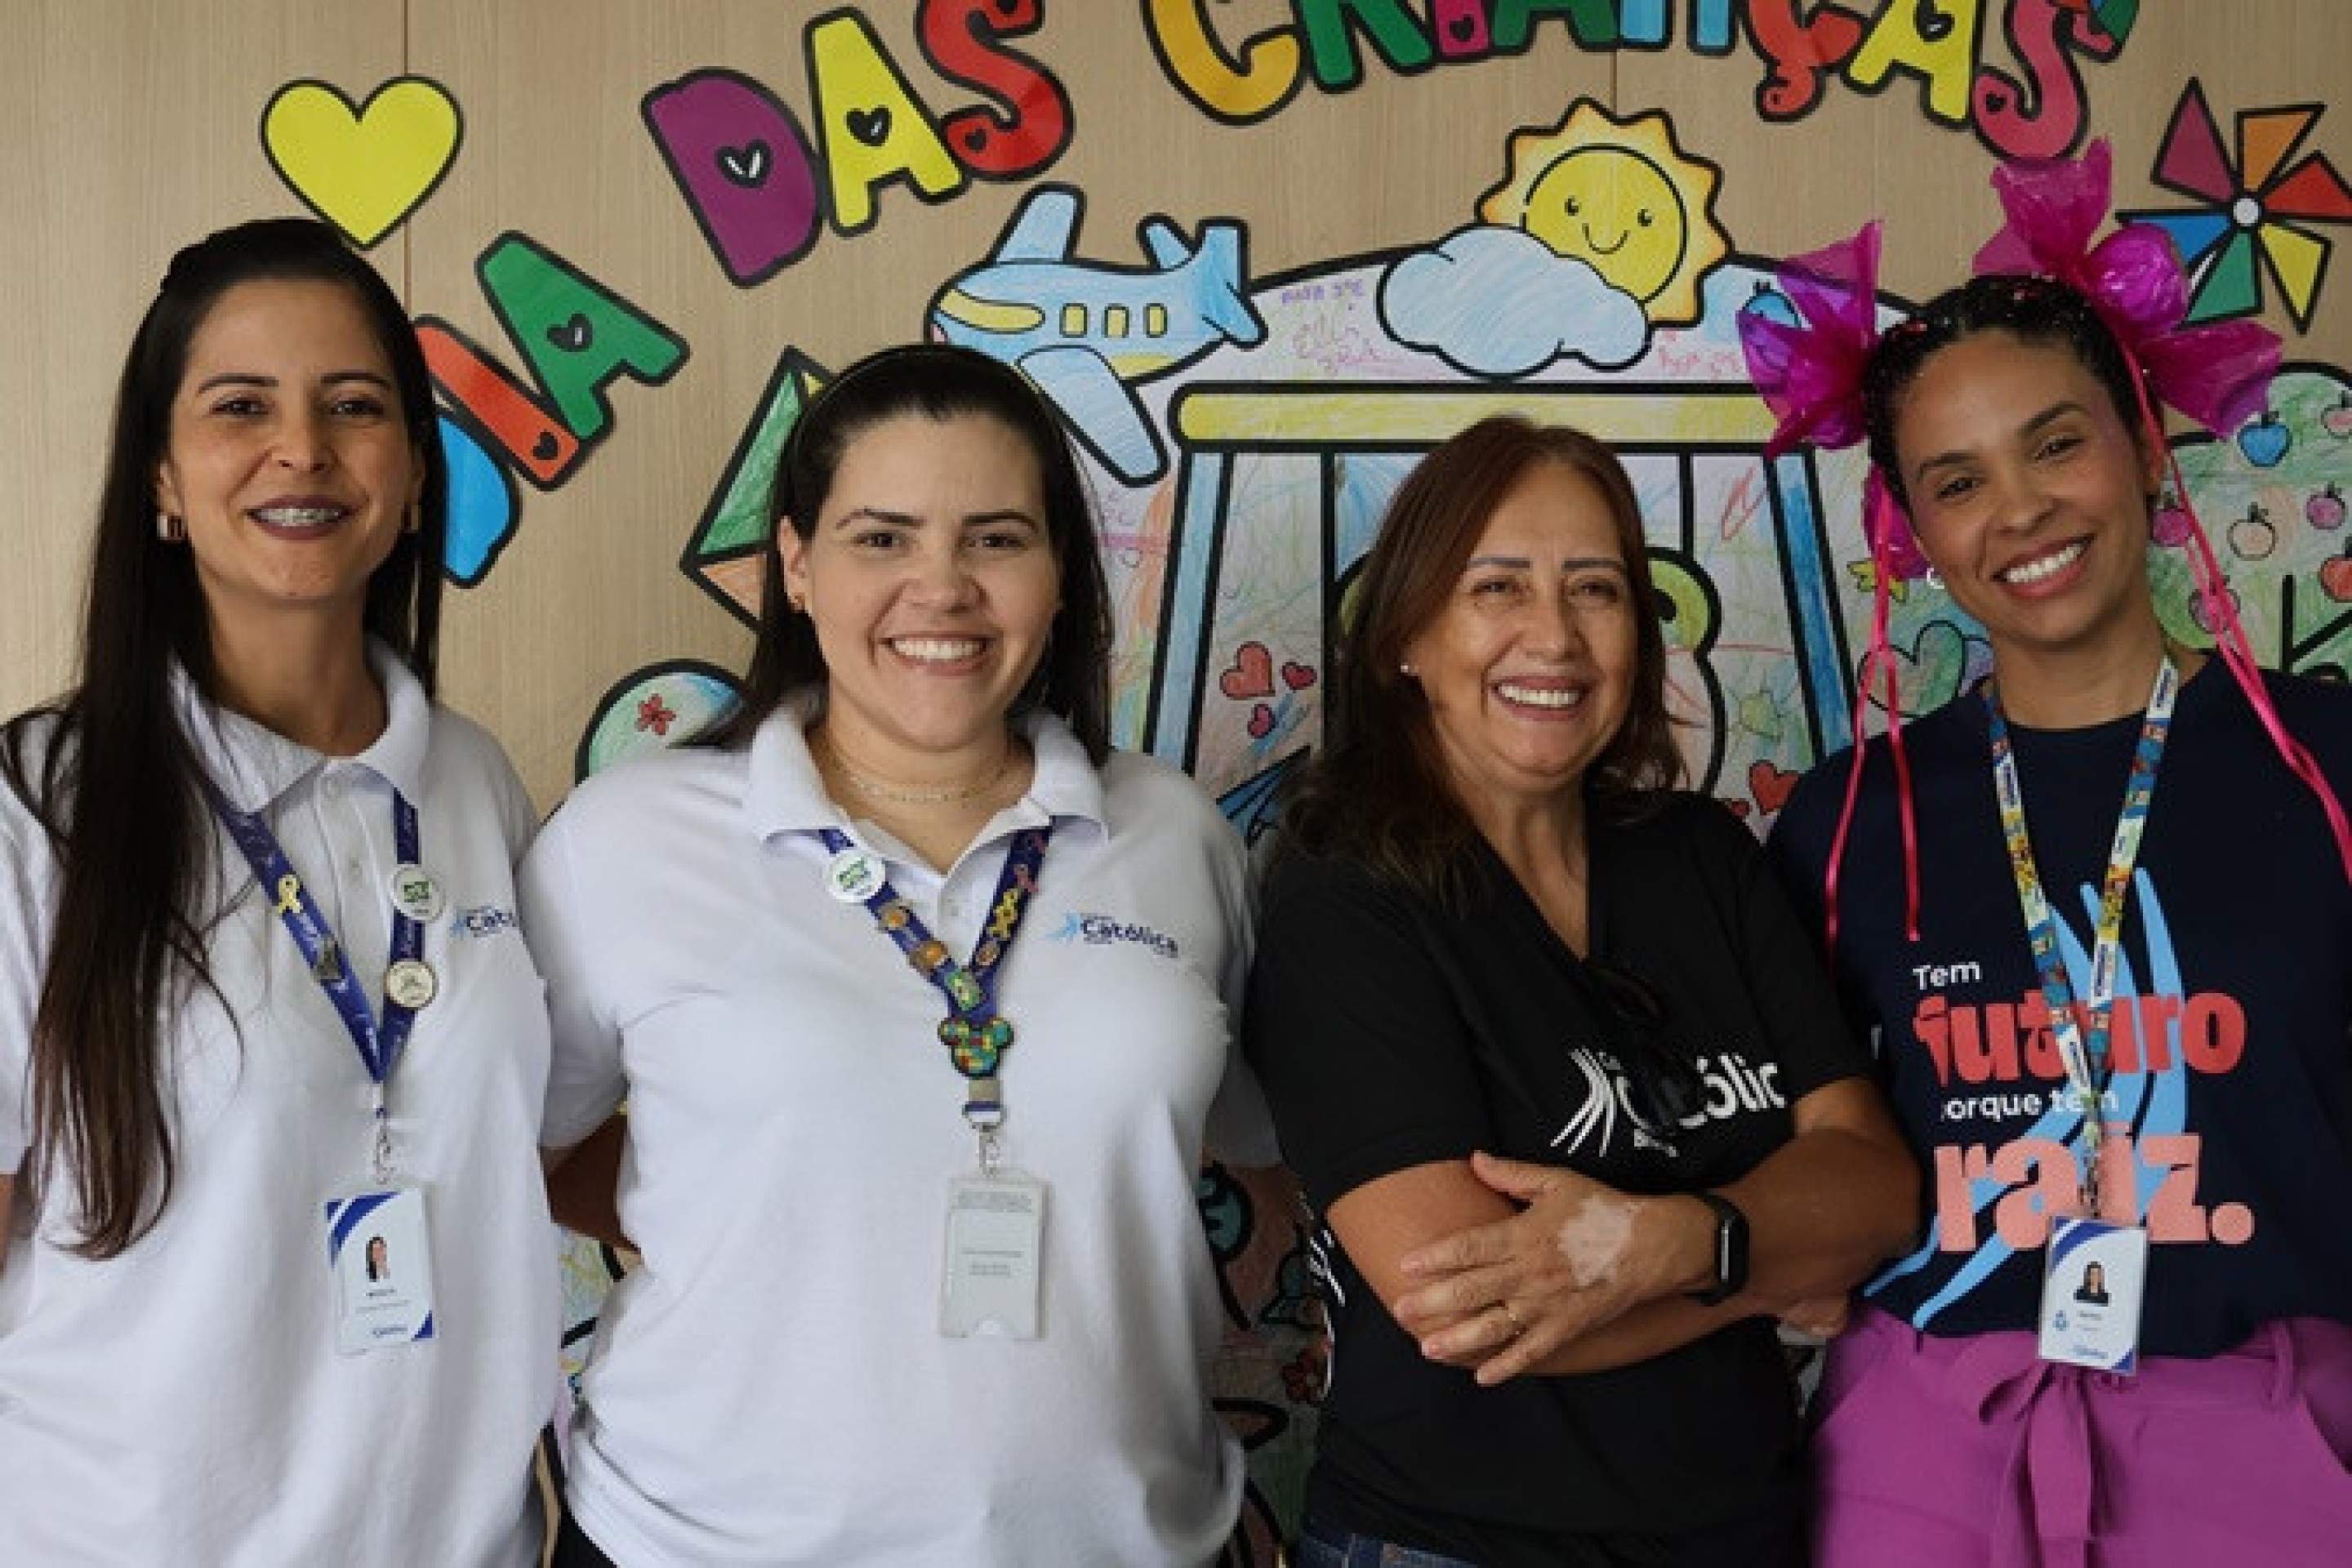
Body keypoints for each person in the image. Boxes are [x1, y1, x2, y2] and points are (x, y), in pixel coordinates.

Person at [523, 343, 1276, 1566]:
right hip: (701, 1545)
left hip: (1126, 1543)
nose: (944, 588)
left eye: (995, 538)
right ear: (797, 567)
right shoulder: (624, 839)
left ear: (1060, 577)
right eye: (882, 539)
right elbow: (538, 1144)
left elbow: (1250, 1139)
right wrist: (758, 1196)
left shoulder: (1174, 834)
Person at [1752, 144, 2352, 1565]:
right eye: (1955, 480)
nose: (2018, 511)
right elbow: (1798, 1146)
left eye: (2057, 442)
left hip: (2264, 1434)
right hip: (1924, 1440)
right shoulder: (1845, 818)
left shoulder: (2330, 766)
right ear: (1913, 535)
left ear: (2146, 444)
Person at [1243, 415, 1919, 1568]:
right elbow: (1467, 1308)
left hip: (1741, 1530)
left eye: (1596, 590)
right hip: (1449, 1544)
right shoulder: (1341, 886)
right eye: (1497, 586)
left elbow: (1877, 1187)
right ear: (1407, 632)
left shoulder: (1702, 856)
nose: (1552, 637)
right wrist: (1759, 1267)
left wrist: (1669, 1244)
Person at [0, 218, 558, 1564]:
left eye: (353, 406)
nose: (301, 450)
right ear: (165, 482)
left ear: (415, 480)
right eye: (240, 406)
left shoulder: (476, 785)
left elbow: (541, 1142)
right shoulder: (37, 807)